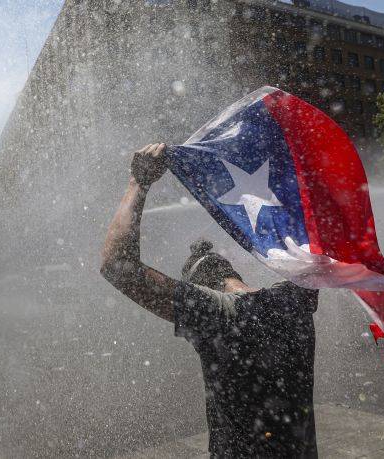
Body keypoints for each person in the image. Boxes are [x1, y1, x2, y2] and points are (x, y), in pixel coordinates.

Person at [100, 143, 319, 457]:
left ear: (204, 289)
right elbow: (315, 249)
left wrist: (139, 182)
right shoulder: (296, 302)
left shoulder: (217, 318)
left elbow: (116, 266)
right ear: (230, 273)